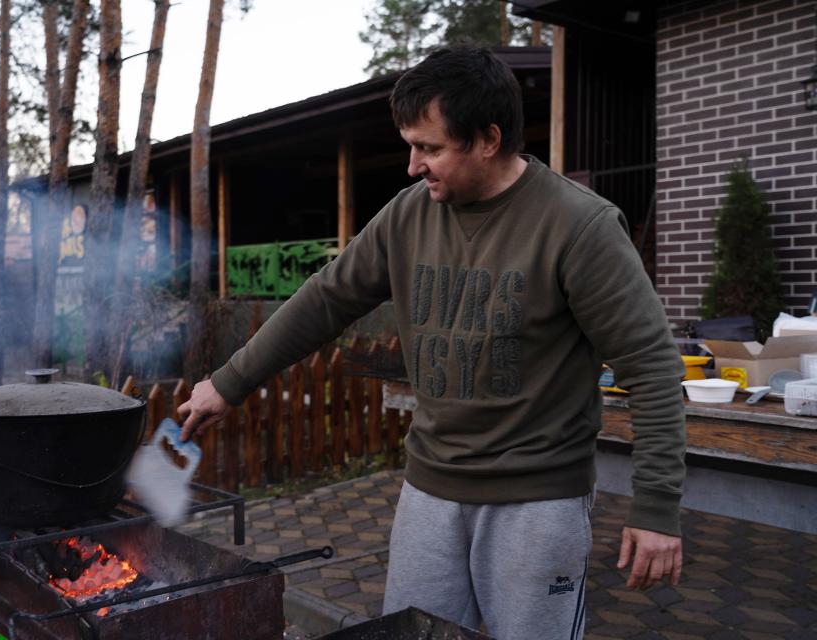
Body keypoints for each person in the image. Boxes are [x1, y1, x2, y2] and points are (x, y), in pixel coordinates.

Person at [177, 45, 685, 640]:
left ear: (488, 139)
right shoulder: (408, 216)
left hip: (537, 499)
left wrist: (655, 510)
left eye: (430, 147)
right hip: (430, 491)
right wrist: (229, 382)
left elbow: (650, 368)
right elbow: (325, 300)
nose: (413, 166)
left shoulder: (579, 226)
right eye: (411, 145)